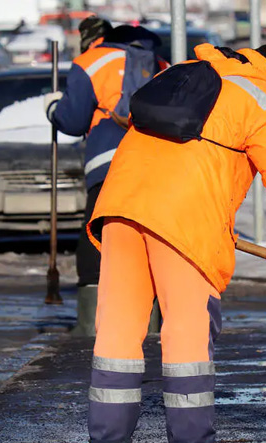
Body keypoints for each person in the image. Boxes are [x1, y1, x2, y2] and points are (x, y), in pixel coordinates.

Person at [83, 44, 266, 443]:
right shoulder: (262, 97)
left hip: (121, 203)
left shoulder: (190, 71)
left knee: (118, 328)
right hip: (181, 220)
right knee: (186, 329)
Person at [44, 18, 168, 337]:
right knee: (147, 238)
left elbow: (72, 121)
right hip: (155, 166)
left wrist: (53, 109)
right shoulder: (160, 64)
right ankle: (150, 321)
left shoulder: (92, 61)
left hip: (107, 162)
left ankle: (91, 322)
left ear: (89, 40)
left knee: (98, 236)